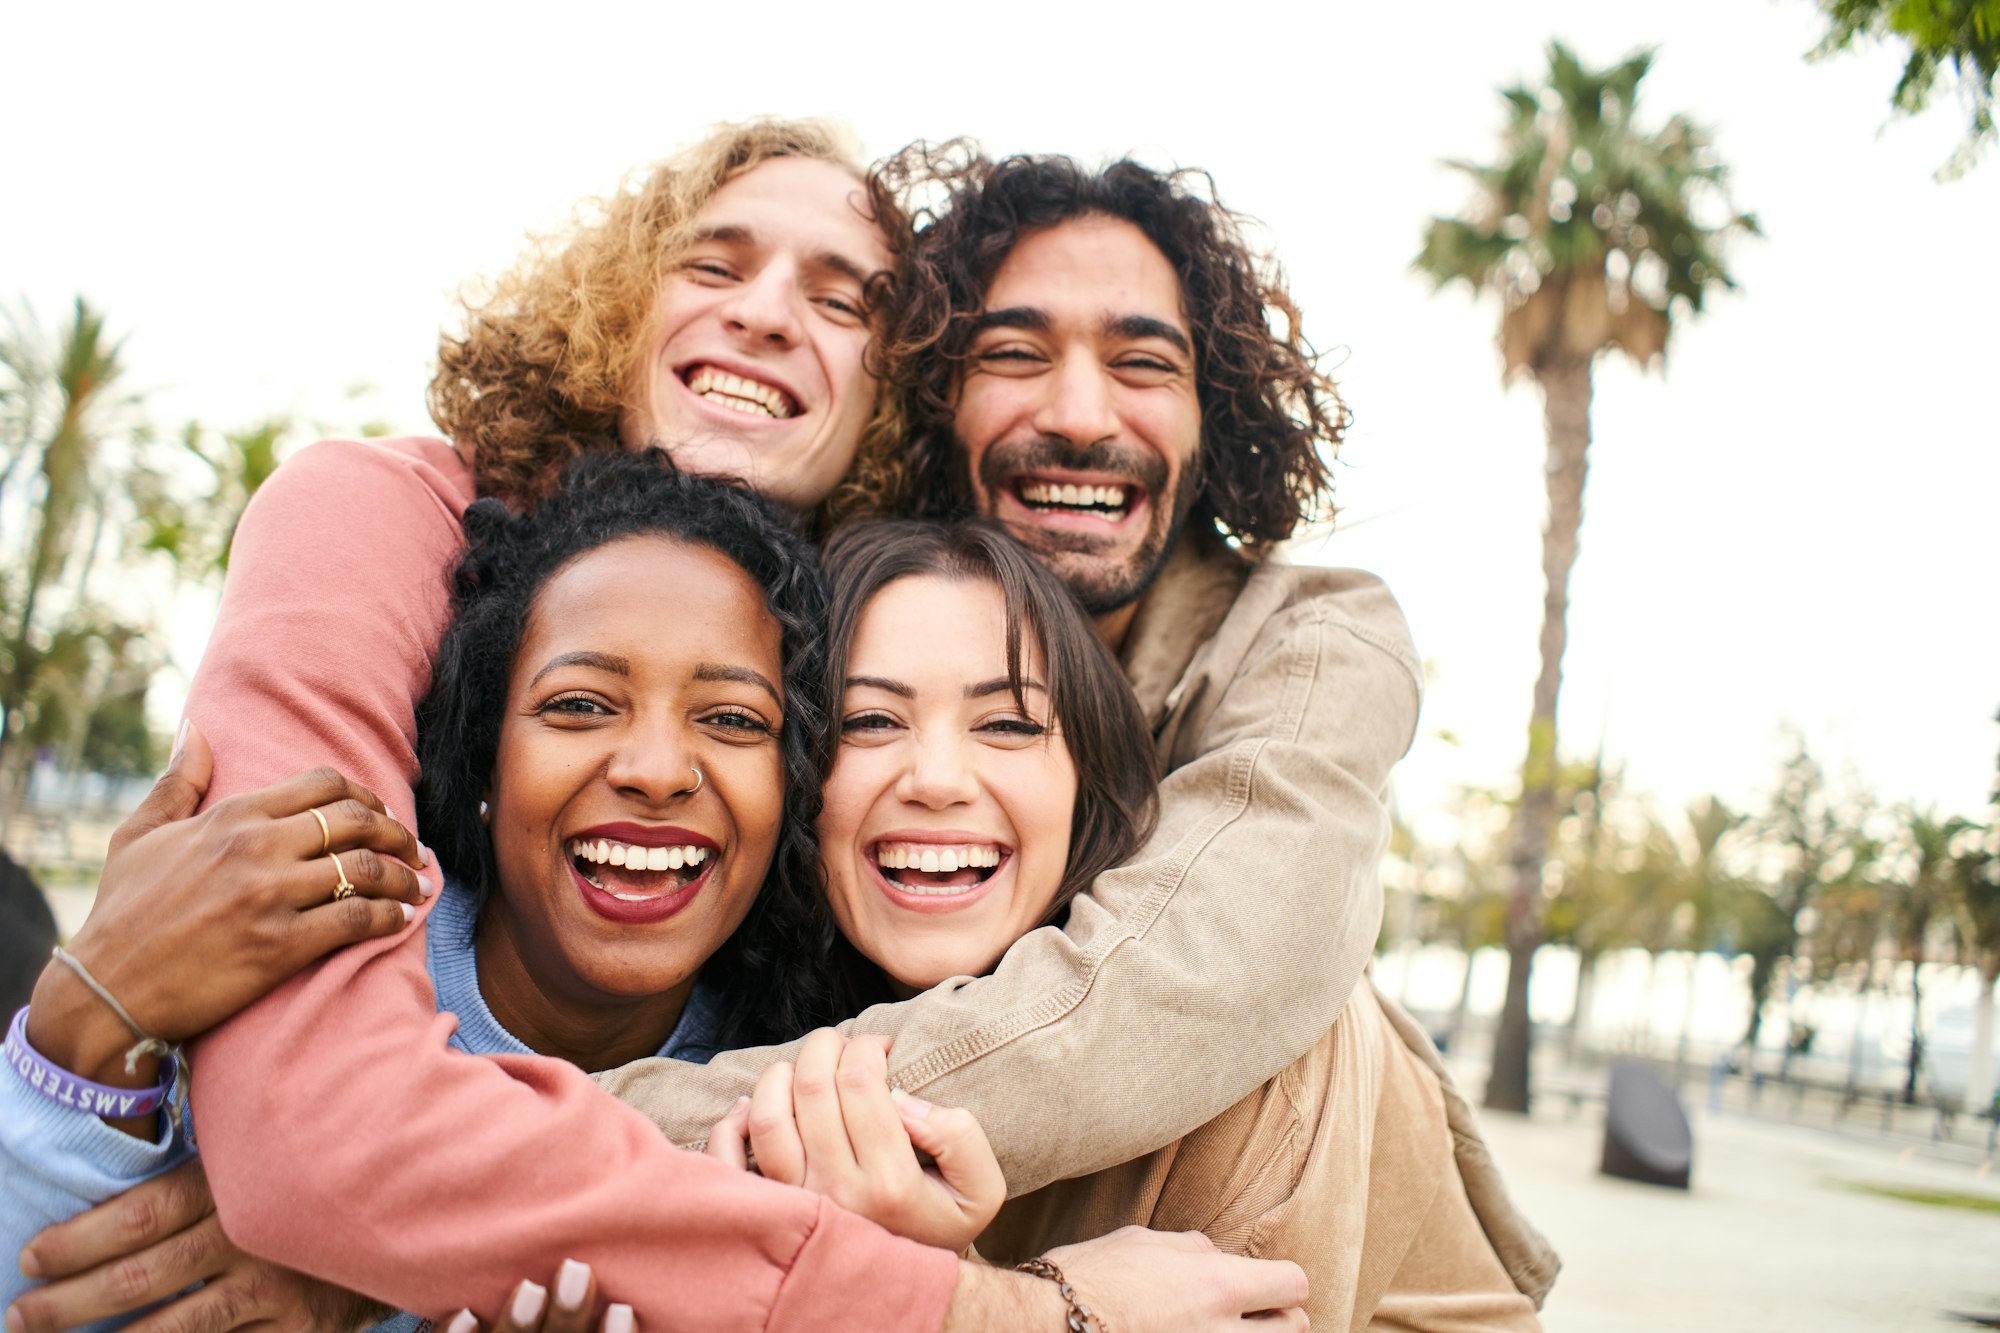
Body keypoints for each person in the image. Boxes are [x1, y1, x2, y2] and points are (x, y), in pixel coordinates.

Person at [4, 455, 1312, 1333]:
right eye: (578, 706)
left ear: (794, 791)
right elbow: (54, 1274)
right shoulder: (332, 957)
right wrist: (79, 1032)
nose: (652, 768)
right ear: (474, 763)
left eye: (734, 719)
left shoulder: (809, 1077)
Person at [591, 148, 1560, 1306]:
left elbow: (1187, 982)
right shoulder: (849, 606)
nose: (1078, 414)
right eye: (1012, 354)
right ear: (935, 400)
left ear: (1217, 419)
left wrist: (571, 1144)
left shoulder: (1310, 641)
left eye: (1143, 362)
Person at [704, 516, 1541, 1329]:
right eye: (870, 721)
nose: (937, 778)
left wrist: (999, 1300)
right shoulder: (756, 1017)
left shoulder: (1254, 1076)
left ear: (1086, 787)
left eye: (1006, 723)